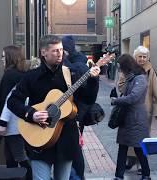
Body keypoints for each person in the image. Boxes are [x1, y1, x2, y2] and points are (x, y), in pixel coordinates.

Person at [7, 35, 101, 180]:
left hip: (66, 141)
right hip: (39, 138)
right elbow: (13, 101)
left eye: (61, 50)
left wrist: (94, 80)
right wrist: (31, 114)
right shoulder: (31, 77)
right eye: (55, 50)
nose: (60, 54)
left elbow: (88, 99)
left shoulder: (71, 74)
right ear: (43, 52)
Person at [118, 46, 157, 171]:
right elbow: (120, 86)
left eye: (144, 57)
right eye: (140, 56)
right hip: (129, 108)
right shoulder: (127, 69)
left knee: (141, 138)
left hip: (145, 110)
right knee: (129, 138)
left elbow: (156, 90)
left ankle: (140, 163)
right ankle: (131, 160)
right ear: (135, 57)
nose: (142, 59)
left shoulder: (150, 70)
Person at [62, 35, 100, 180]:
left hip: (75, 114)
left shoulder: (78, 65)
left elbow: (88, 94)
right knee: (73, 150)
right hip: (69, 112)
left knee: (74, 150)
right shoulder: (72, 63)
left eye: (62, 50)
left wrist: (93, 80)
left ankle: (78, 176)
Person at [0, 45, 32, 179]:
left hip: (13, 126)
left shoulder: (10, 76)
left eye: (3, 56)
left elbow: (7, 102)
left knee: (18, 157)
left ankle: (31, 177)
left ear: (10, 57)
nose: (2, 59)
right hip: (17, 124)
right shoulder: (20, 75)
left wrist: (2, 122)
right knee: (11, 157)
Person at [111, 54, 151, 180]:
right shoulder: (130, 77)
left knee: (138, 148)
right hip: (127, 118)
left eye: (120, 67)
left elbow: (133, 97)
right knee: (122, 147)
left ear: (126, 66)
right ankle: (119, 175)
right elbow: (123, 91)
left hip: (136, 119)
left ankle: (146, 174)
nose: (120, 70)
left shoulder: (140, 78)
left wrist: (116, 101)